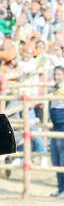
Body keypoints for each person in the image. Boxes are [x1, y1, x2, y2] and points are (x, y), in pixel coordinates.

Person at [50, 66, 64, 198]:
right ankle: (60, 188)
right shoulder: (55, 88)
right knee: (56, 158)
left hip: (62, 125)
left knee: (62, 158)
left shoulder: (60, 89)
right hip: (56, 125)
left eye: (59, 74)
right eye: (55, 74)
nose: (56, 76)